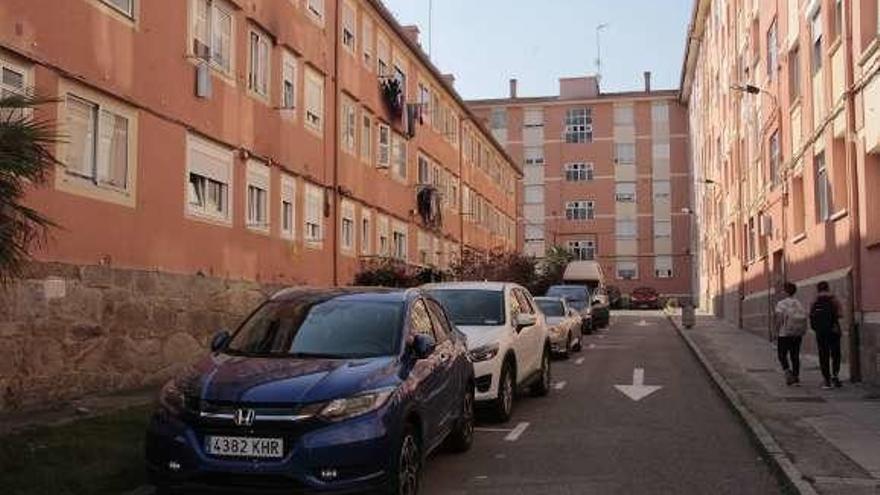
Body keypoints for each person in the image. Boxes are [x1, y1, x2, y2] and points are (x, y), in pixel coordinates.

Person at [810, 281, 844, 389]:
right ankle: (835, 375)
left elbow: (810, 315)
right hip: (833, 330)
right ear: (828, 288)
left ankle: (826, 380)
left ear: (818, 289)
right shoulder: (834, 299)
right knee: (835, 353)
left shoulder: (814, 301)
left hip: (820, 331)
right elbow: (840, 314)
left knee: (823, 354)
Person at [774, 282, 808, 386]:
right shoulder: (798, 303)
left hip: (784, 333)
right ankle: (796, 377)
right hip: (797, 333)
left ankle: (787, 372)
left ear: (785, 291)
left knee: (781, 355)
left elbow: (779, 318)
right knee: (795, 355)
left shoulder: (781, 304)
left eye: (783, 290)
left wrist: (776, 330)